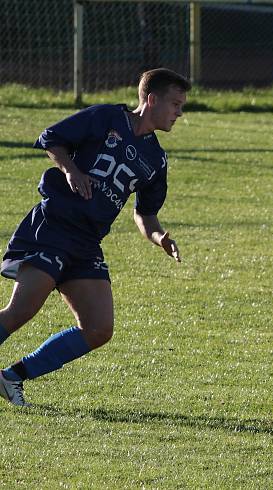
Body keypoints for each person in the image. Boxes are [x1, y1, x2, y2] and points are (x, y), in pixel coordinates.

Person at [0, 68, 190, 406]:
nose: (179, 112)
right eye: (175, 104)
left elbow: (144, 214)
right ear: (151, 99)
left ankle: (11, 377)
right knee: (21, 311)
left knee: (99, 329)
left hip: (87, 243)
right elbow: (52, 138)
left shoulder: (156, 160)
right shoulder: (107, 118)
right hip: (56, 225)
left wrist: (159, 236)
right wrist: (71, 170)